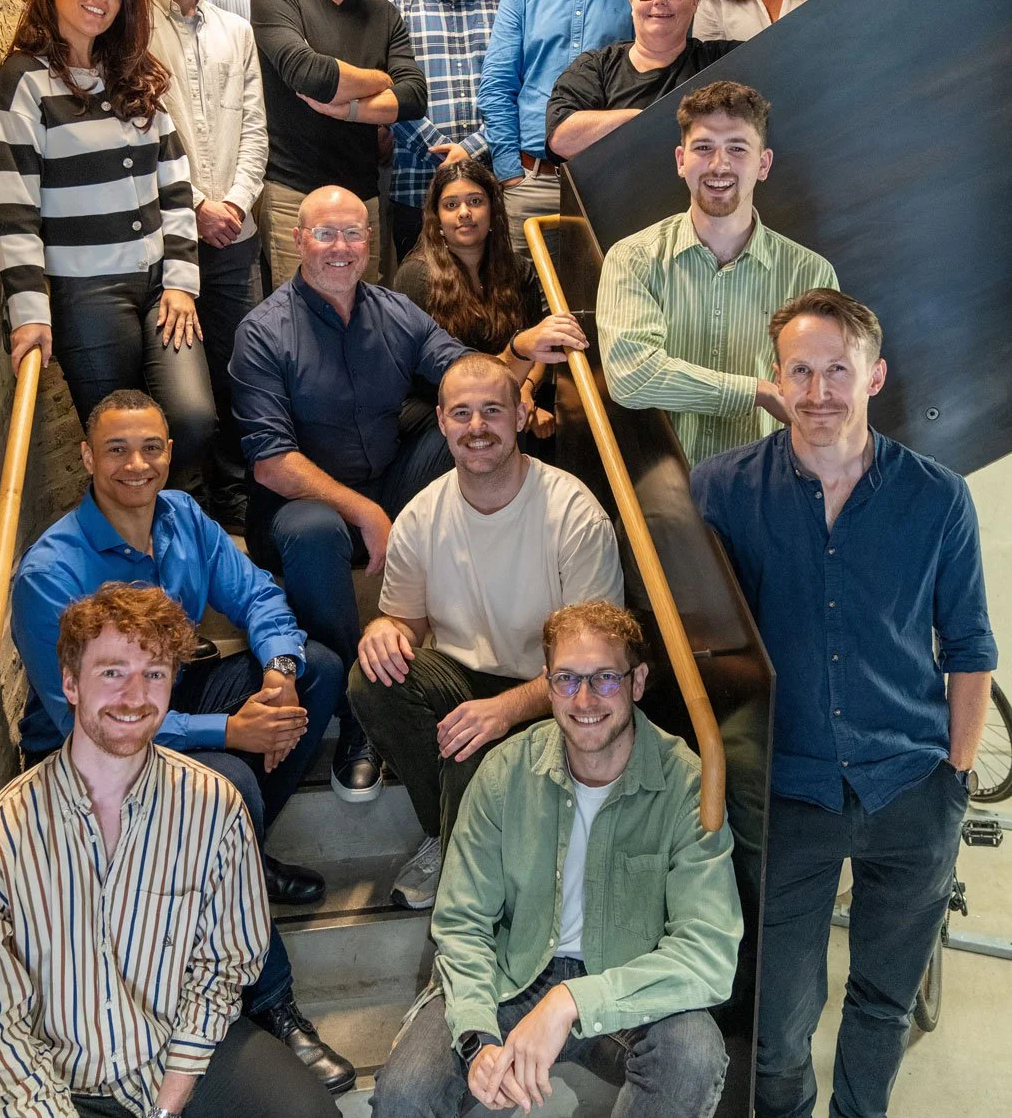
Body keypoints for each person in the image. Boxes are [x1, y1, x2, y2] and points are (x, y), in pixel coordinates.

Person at [691, 288, 997, 1118]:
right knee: (778, 1025)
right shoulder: (719, 491)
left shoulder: (935, 497)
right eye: (800, 371)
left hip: (910, 788)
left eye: (837, 370)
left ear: (874, 377)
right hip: (787, 793)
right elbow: (700, 653)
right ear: (776, 378)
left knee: (882, 1003)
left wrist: (955, 778)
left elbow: (968, 647)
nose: (818, 390)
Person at [10, 389, 355, 1092]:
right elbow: (92, 720)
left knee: (320, 669)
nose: (136, 465)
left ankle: (243, 859)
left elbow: (257, 596)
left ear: (169, 452)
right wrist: (229, 729)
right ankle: (270, 1002)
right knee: (227, 782)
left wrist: (280, 675)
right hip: (87, 753)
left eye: (151, 448)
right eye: (116, 449)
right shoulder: (50, 574)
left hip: (173, 695)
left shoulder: (183, 517)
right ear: (86, 458)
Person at [229, 186, 589, 803]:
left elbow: (463, 374)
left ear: (370, 244)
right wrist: (366, 512)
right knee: (316, 530)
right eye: (326, 234)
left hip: (390, 479)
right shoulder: (263, 331)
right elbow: (270, 463)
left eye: (353, 234)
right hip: (299, 512)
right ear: (298, 240)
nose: (341, 248)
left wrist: (521, 350)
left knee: (470, 426)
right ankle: (352, 717)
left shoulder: (395, 310)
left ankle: (482, 606)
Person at [0, 582, 342, 1118]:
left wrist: (169, 1101)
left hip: (175, 1053)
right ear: (70, 683)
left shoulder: (213, 807)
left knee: (307, 1114)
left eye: (154, 674)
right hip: (60, 1086)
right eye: (112, 672)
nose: (134, 696)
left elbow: (224, 966)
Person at [371, 599, 742, 1118]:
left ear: (637, 682)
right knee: (405, 1092)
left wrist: (571, 1002)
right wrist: (477, 1036)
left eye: (604, 679)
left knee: (694, 1052)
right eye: (567, 679)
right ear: (547, 684)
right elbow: (463, 922)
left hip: (624, 989)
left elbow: (709, 952)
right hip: (513, 976)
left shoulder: (685, 784)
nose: (584, 698)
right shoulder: (505, 771)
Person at [349, 352, 624, 912]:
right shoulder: (420, 517)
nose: (477, 428)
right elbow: (406, 622)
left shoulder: (572, 512)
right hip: (459, 677)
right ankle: (444, 835)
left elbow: (595, 663)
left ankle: (462, 881)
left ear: (521, 416)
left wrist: (505, 711)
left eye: (492, 411)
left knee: (478, 749)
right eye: (462, 413)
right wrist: (383, 628)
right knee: (371, 677)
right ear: (443, 422)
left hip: (555, 690)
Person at [0, 0, 216, 493]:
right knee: (118, 445)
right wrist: (29, 312)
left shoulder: (133, 76)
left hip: (160, 288)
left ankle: (164, 542)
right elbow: (14, 203)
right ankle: (126, 572)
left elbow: (176, 186)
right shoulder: (26, 80)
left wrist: (181, 281)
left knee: (191, 421)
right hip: (86, 295)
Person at [598, 81, 837, 467]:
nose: (719, 164)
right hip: (662, 495)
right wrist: (754, 392)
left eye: (737, 149)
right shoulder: (633, 259)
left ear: (764, 164)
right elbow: (631, 376)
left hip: (767, 490)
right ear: (680, 160)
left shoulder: (810, 273)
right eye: (703, 147)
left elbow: (821, 393)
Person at [145, 0, 268, 530]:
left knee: (232, 373)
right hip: (168, 237)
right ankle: (186, 512)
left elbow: (254, 128)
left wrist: (235, 202)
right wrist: (195, 205)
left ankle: (235, 508)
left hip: (234, 233)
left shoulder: (236, 31)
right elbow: (139, 135)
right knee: (182, 389)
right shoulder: (131, 28)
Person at [251, 0, 427, 288]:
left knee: (360, 323)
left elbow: (415, 95)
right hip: (295, 199)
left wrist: (348, 108)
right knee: (297, 332)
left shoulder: (384, 15)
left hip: (362, 201)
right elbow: (307, 72)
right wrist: (381, 80)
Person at [478, 0, 632, 254]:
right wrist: (510, 173)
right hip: (533, 184)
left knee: (609, 308)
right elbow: (497, 87)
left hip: (615, 183)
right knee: (527, 308)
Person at [393, 158, 554, 439]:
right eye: (451, 205)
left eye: (475, 201)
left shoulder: (518, 269)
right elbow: (426, 376)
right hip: (437, 410)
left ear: (493, 210)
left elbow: (537, 342)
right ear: (437, 218)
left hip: (506, 397)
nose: (464, 213)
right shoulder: (416, 276)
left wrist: (526, 392)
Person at [387, 0, 503, 262]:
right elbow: (388, 95)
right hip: (416, 190)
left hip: (491, 189)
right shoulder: (392, 10)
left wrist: (470, 151)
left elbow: (515, 92)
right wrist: (440, 153)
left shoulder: (506, 5)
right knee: (418, 303)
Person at [545, 0, 736, 163]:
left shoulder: (724, 61)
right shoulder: (595, 68)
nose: (659, 0)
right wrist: (644, 121)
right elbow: (561, 139)